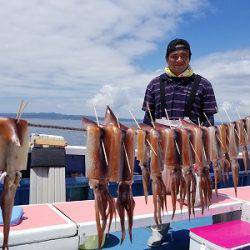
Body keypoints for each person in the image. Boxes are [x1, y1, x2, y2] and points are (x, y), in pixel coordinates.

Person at [142, 38, 218, 247]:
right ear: (167, 58)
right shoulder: (154, 84)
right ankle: (159, 228)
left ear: (189, 58)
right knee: (162, 190)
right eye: (174, 56)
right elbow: (148, 120)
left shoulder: (203, 84)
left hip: (191, 145)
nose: (179, 59)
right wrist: (145, 147)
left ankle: (210, 230)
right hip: (161, 144)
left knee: (194, 194)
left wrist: (204, 146)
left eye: (184, 55)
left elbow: (209, 121)